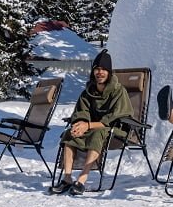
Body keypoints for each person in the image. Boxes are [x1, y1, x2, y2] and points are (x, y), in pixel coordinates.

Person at [53, 49, 132, 195]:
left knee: (98, 133)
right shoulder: (89, 91)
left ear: (109, 72)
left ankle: (82, 179)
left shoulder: (118, 91)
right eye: (97, 69)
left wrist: (87, 125)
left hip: (115, 130)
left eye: (103, 69)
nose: (99, 72)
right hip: (92, 127)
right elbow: (82, 111)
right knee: (70, 135)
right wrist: (79, 124)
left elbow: (114, 117)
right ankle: (67, 178)